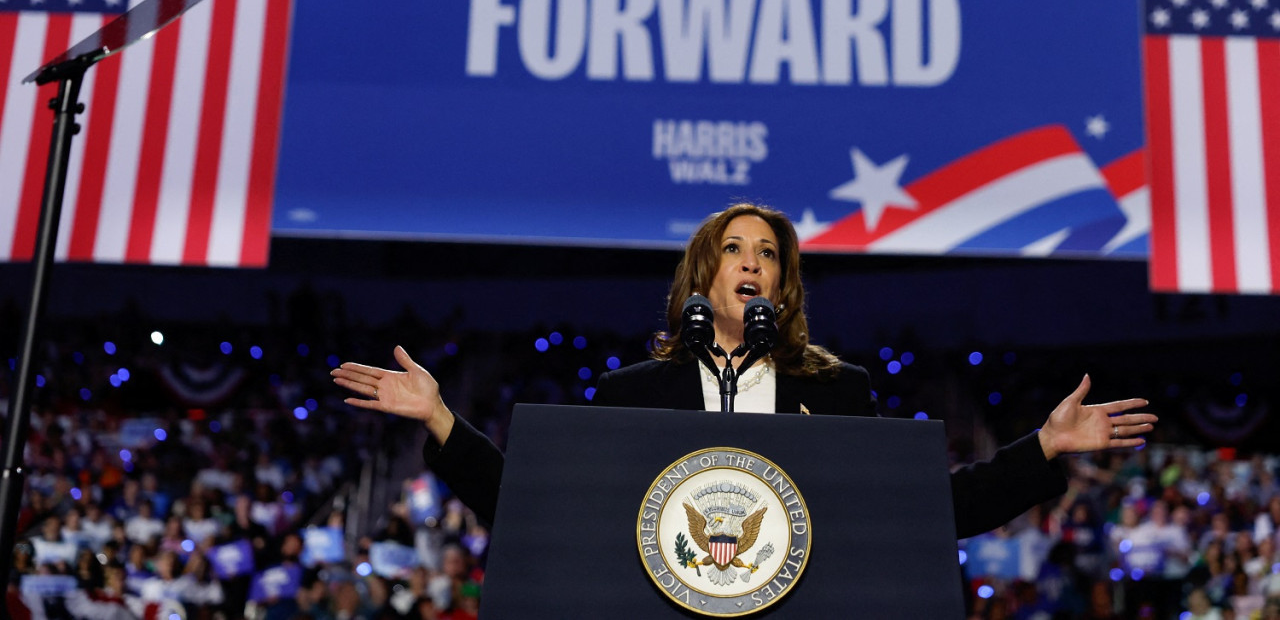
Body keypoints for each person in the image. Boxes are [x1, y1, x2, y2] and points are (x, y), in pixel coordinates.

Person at [332, 203, 1157, 539]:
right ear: (702, 277)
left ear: (783, 285)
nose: (752, 262)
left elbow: (923, 513)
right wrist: (443, 422)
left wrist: (1040, 448)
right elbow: (545, 511)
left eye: (769, 253)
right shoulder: (634, 393)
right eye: (734, 249)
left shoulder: (839, 393)